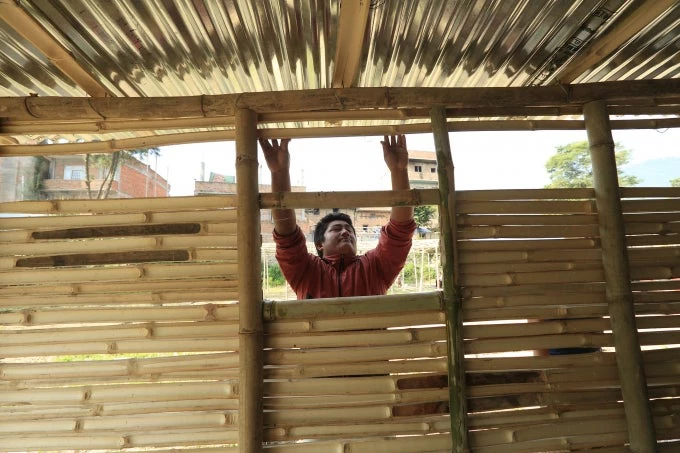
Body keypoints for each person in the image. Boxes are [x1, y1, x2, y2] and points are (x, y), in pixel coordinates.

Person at [259, 135, 417, 300]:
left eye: (350, 230)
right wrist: (279, 173)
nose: (346, 232)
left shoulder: (374, 266)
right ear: (319, 244)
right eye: (336, 229)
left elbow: (400, 232)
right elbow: (287, 238)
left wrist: (399, 172)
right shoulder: (306, 270)